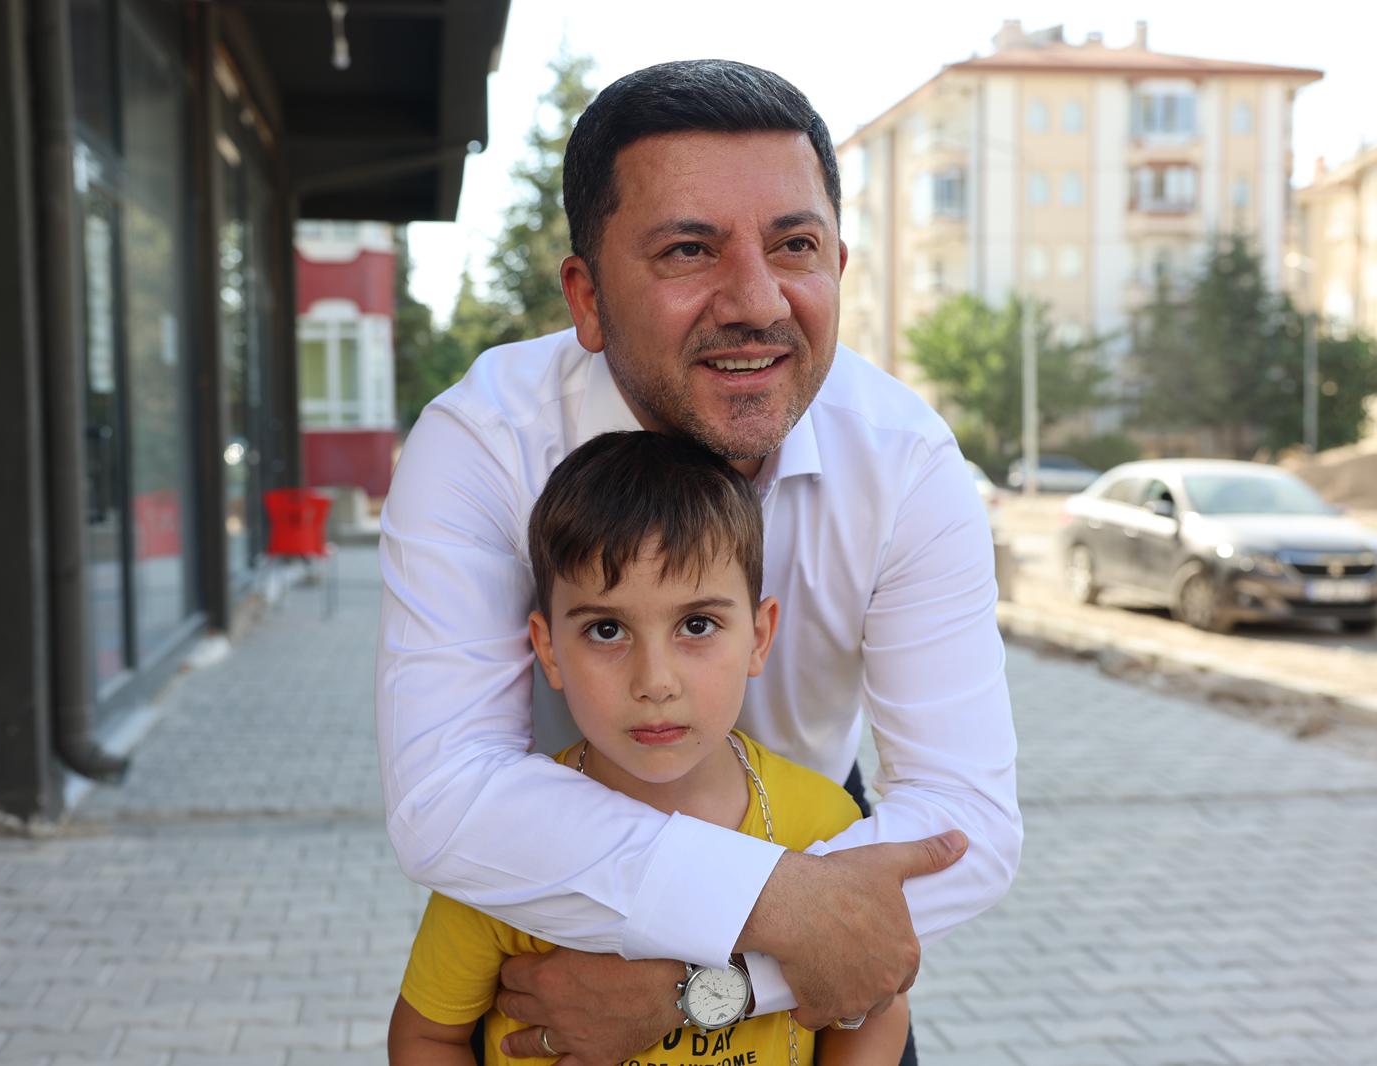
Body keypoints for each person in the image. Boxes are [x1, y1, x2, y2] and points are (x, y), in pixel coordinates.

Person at [376, 58, 1021, 1066]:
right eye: (689, 249)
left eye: (795, 245)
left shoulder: (905, 461)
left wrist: (705, 988)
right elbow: (447, 799)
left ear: (839, 265)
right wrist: (780, 906)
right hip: (553, 928)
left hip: (813, 884)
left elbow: (964, 820)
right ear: (587, 298)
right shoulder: (482, 444)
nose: (757, 301)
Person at [388, 430, 910, 1065]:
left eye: (697, 625)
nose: (655, 682)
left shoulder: (824, 823)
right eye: (607, 629)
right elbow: (427, 1036)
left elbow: (874, 1004)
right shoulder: (507, 843)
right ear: (548, 649)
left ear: (758, 636)